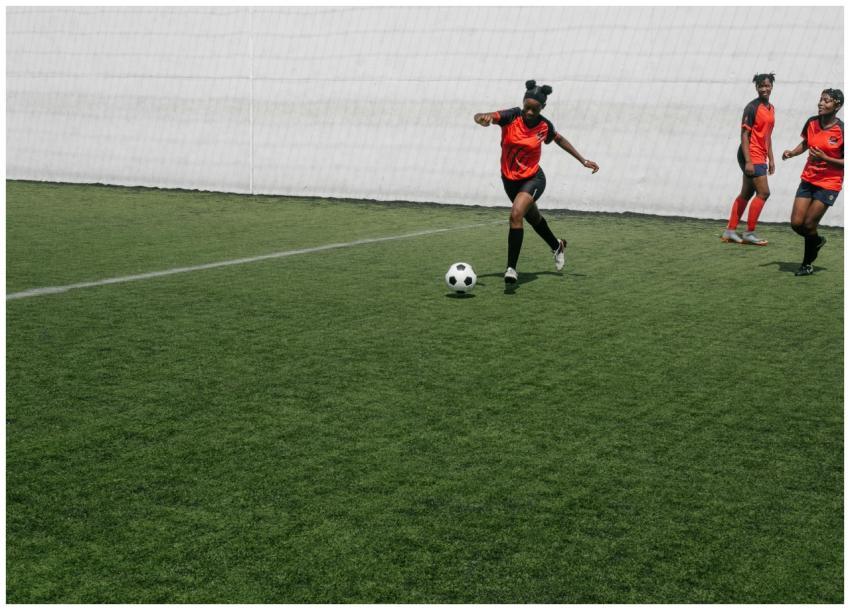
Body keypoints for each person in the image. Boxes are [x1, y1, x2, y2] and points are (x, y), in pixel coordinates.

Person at [474, 80, 599, 284]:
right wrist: (482, 118)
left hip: (533, 178)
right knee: (533, 218)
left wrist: (583, 160)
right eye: (527, 107)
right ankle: (557, 245)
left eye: (535, 109)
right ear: (523, 102)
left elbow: (559, 139)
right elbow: (483, 115)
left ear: (543, 107)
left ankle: (511, 269)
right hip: (509, 180)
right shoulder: (511, 116)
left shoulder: (544, 126)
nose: (530, 112)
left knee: (516, 214)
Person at [782, 88, 844, 276]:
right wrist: (792, 153)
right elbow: (806, 143)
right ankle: (816, 241)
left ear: (837, 106)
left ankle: (807, 264)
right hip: (809, 178)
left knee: (809, 224)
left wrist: (826, 158)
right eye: (821, 99)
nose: (821, 103)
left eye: (826, 101)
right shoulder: (811, 122)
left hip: (830, 183)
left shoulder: (842, 130)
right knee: (796, 223)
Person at [722, 73, 776, 246]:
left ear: (772, 86)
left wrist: (771, 159)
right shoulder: (752, 107)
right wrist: (748, 161)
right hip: (751, 154)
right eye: (761, 86)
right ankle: (749, 233)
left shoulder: (771, 108)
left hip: (761, 154)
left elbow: (767, 136)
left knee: (747, 193)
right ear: (756, 88)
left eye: (767, 85)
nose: (764, 89)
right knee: (764, 193)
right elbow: (744, 135)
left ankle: (730, 231)